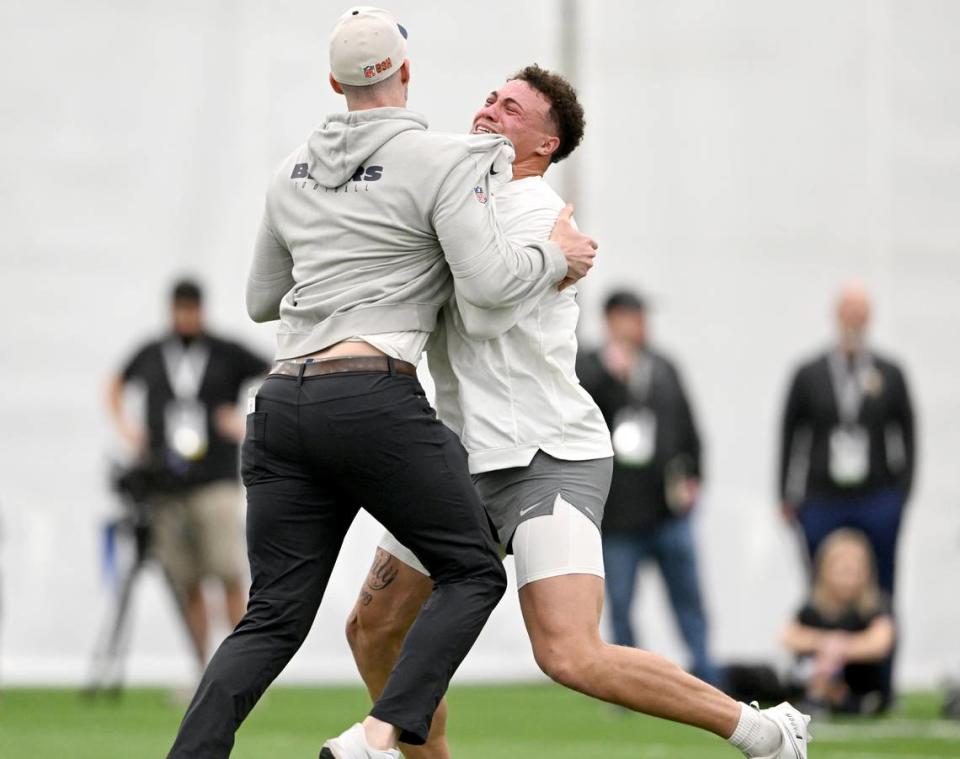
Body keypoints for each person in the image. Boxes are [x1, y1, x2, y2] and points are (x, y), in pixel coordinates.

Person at [165, 8, 600, 759]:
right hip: (368, 394)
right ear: (406, 73)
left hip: (281, 403)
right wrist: (556, 258)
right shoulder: (443, 158)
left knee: (270, 618)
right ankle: (378, 736)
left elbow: (262, 300)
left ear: (334, 81)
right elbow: (492, 287)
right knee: (471, 570)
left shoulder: (290, 169)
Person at [344, 66, 811, 759]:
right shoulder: (460, 195)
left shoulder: (535, 210)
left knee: (569, 654)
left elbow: (477, 300)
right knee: (372, 627)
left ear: (545, 142)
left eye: (511, 108)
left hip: (547, 456)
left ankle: (765, 731)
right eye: (489, 99)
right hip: (460, 458)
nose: (489, 111)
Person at [107, 278, 268, 669]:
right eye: (180, 310)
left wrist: (247, 414)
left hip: (215, 481)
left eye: (191, 310)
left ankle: (243, 671)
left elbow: (276, 370)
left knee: (228, 574)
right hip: (167, 485)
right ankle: (203, 671)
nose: (186, 317)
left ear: (201, 310)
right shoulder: (152, 352)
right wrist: (128, 429)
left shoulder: (224, 351)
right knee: (187, 581)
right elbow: (114, 383)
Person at [576, 290, 723, 688]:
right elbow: (580, 416)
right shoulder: (589, 365)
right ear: (610, 321)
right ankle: (631, 684)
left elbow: (689, 428)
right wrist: (611, 374)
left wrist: (694, 478)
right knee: (620, 603)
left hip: (668, 510)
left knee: (688, 599)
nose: (637, 325)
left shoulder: (663, 366)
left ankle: (706, 671)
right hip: (619, 513)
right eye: (628, 317)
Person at [779, 282, 916, 597]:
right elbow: (790, 432)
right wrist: (786, 491)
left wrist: (901, 492)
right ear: (836, 314)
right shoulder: (809, 372)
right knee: (819, 579)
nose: (853, 319)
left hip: (876, 494)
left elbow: (908, 432)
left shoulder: (889, 372)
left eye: (860, 312)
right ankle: (816, 643)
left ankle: (882, 645)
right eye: (848, 311)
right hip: (822, 494)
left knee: (881, 581)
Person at [782, 529, 896, 715]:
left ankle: (831, 697)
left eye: (855, 572)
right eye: (842, 571)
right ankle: (818, 694)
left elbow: (881, 642)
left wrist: (841, 648)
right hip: (818, 674)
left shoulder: (874, 608)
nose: (848, 579)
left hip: (861, 684)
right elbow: (788, 636)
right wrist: (824, 643)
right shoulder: (813, 609)